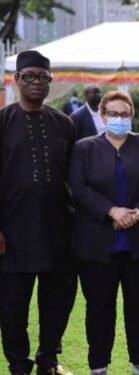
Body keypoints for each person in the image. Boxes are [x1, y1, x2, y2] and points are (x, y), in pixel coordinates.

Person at [69, 90, 139, 375]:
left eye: (124, 114)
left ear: (132, 116)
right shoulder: (84, 148)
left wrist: (137, 214)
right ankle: (98, 365)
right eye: (113, 114)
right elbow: (78, 187)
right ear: (102, 116)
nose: (119, 119)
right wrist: (112, 211)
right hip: (97, 245)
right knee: (99, 308)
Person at [0, 50, 77, 375]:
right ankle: (19, 364)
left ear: (50, 82)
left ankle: (49, 360)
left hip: (58, 230)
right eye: (29, 76)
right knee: (12, 307)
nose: (36, 82)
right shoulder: (2, 121)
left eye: (42, 77)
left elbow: (75, 178)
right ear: (16, 80)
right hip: (12, 235)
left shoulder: (64, 123)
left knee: (57, 301)